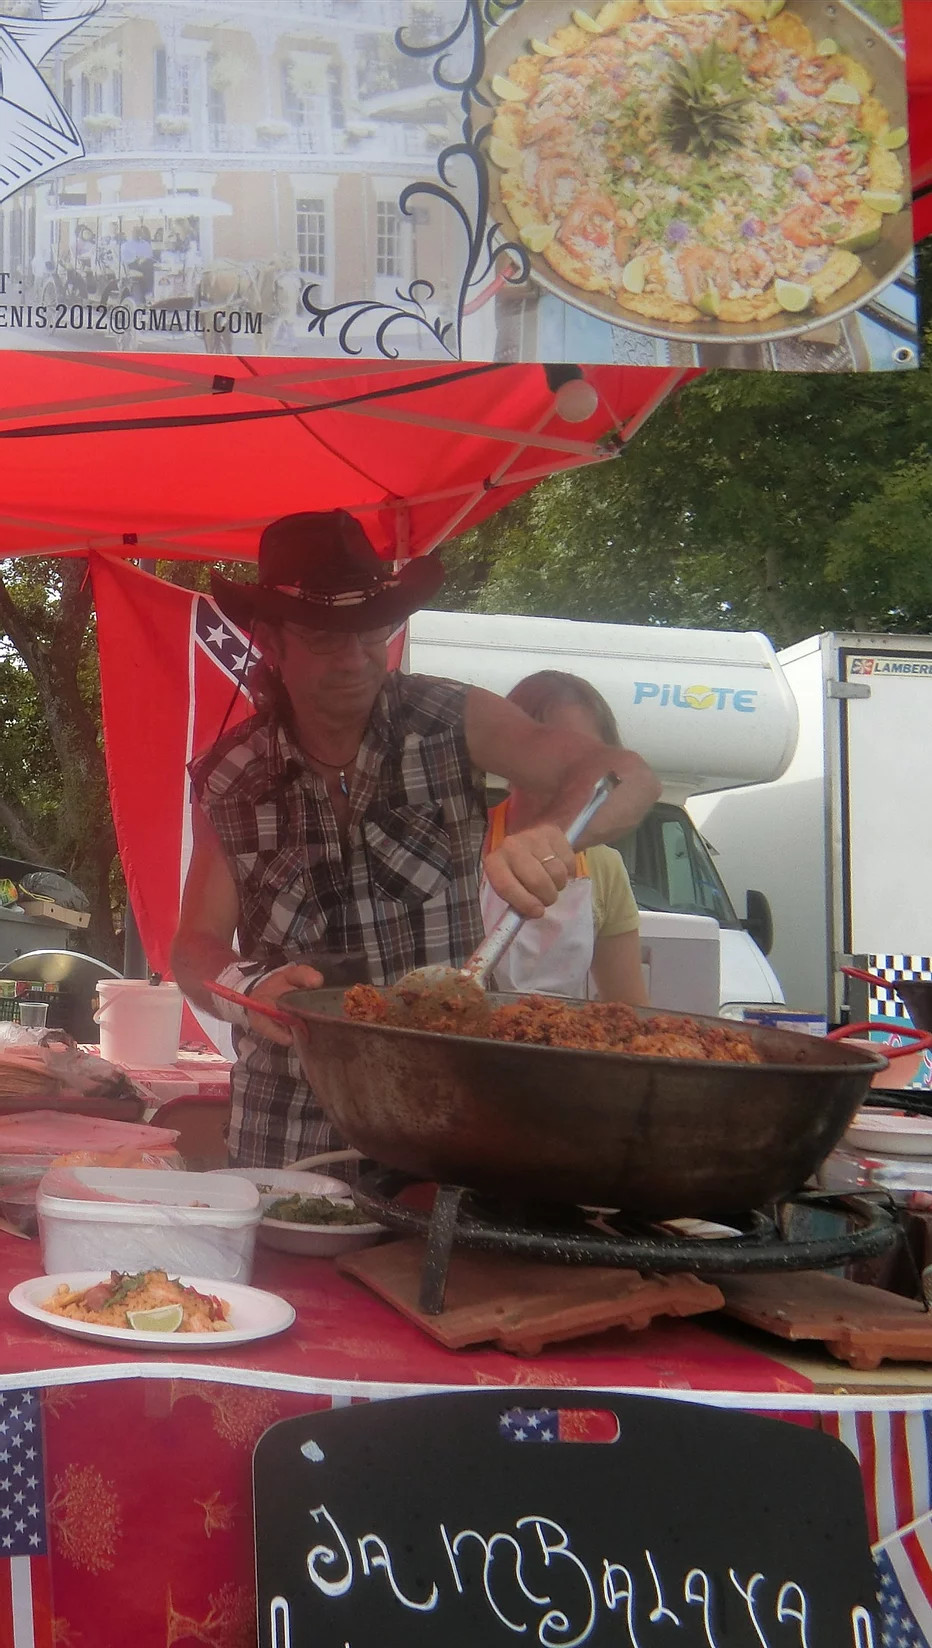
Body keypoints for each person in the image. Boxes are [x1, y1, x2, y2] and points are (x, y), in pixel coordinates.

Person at [171, 511, 661, 1168]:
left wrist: (553, 833)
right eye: (323, 638)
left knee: (445, 1272)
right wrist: (245, 984)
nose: (354, 658)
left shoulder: (452, 721)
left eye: (372, 632)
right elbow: (193, 948)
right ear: (270, 640)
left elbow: (626, 775)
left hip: (448, 1116)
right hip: (286, 1121)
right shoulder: (232, 778)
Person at [481, 672, 647, 1006]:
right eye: (550, 751)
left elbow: (629, 1009)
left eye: (587, 758)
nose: (570, 771)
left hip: (562, 1051)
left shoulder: (604, 866)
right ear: (508, 756)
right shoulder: (461, 842)